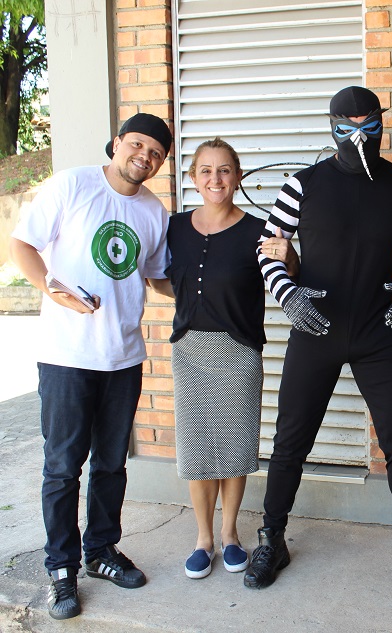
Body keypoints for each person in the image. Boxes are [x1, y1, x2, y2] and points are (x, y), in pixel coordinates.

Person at [243, 86, 392, 595]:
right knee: (290, 440)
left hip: (379, 329)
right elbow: (269, 248)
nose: (358, 134)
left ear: (381, 122)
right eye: (346, 125)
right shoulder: (302, 183)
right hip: (317, 328)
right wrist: (287, 295)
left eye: (368, 123)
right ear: (330, 125)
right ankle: (272, 537)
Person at [9, 113, 173, 620]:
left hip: (122, 358)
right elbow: (21, 244)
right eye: (138, 144)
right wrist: (55, 290)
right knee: (62, 468)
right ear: (119, 143)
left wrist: (217, 284)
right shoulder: (73, 184)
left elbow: (159, 279)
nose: (144, 156)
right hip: (66, 357)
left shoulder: (153, 210)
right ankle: (61, 568)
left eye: (156, 153)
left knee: (111, 465)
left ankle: (101, 551)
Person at [155, 138, 266, 579]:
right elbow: (161, 279)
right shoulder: (175, 227)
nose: (215, 179)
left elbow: (287, 274)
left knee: (235, 447)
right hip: (191, 349)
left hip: (239, 351)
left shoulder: (259, 230)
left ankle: (230, 534)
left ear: (237, 176)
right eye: (206, 170)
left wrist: (292, 260)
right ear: (192, 178)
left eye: (224, 170)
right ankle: (203, 538)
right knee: (198, 449)